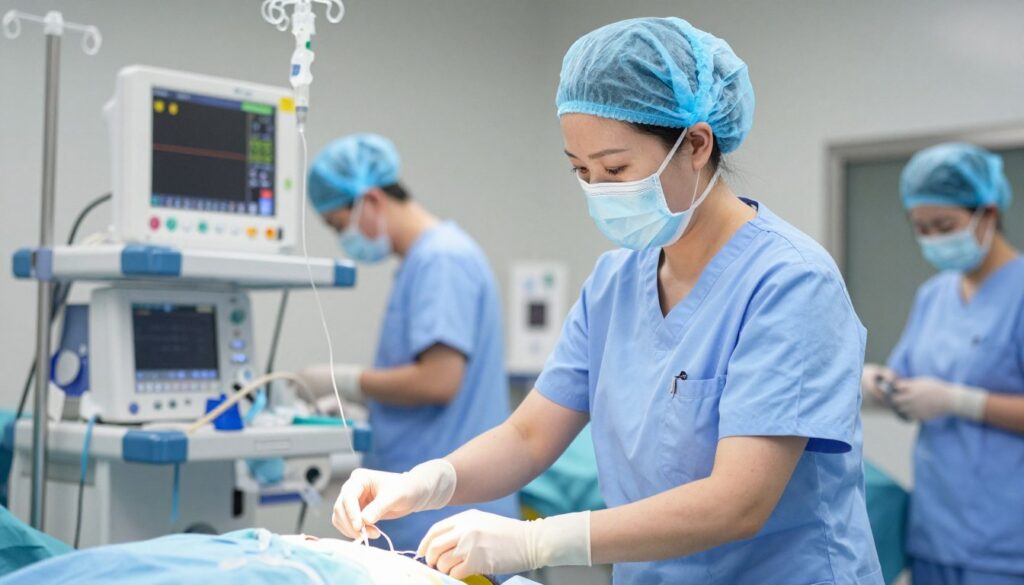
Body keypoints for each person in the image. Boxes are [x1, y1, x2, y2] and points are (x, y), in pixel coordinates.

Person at [331, 18, 884, 584]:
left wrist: (535, 539)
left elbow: (737, 501)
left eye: (616, 169)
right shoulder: (615, 282)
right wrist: (424, 483)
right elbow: (528, 436)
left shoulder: (790, 282)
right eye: (582, 172)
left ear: (696, 144)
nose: (600, 191)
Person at [301, 133, 518, 552]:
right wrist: (368, 405)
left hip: (443, 520)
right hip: (426, 515)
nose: (342, 238)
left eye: (340, 225)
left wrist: (346, 381)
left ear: (372, 200)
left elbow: (439, 381)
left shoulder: (442, 260)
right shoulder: (426, 260)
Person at [862, 143, 1024, 585]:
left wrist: (960, 401)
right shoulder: (933, 295)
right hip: (936, 530)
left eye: (945, 225)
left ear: (987, 214)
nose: (934, 239)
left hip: (1007, 540)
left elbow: (949, 396)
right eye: (922, 228)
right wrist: (881, 385)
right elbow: (908, 376)